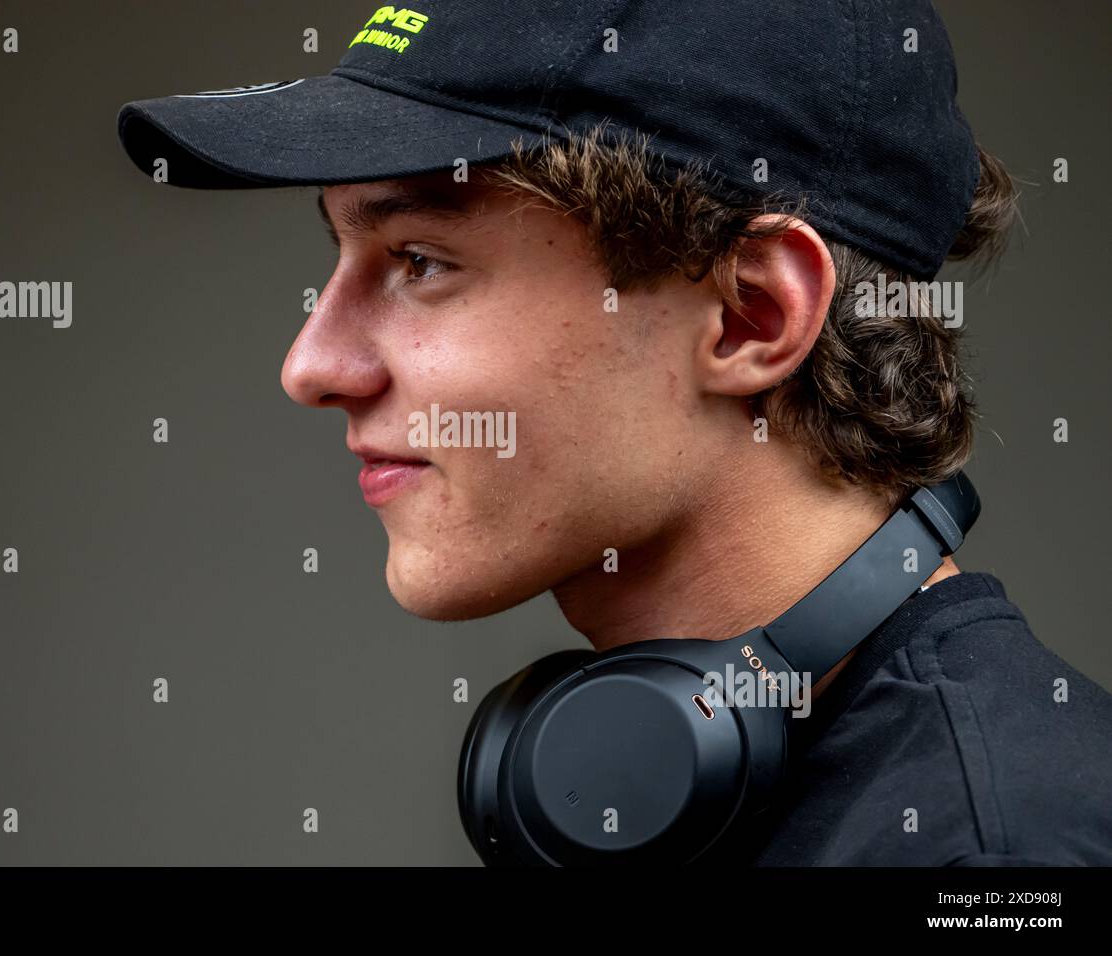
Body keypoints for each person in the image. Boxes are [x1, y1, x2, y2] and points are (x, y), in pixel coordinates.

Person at [116, 0, 1112, 864]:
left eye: (420, 259)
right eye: (341, 254)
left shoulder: (998, 853)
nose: (311, 366)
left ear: (748, 316)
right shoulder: (688, 811)